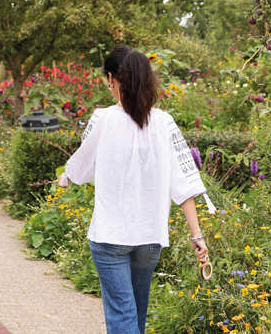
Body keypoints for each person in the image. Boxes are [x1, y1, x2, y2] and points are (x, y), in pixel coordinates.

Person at [58, 45, 209, 334]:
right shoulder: (164, 122)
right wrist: (197, 235)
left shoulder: (102, 119)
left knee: (122, 317)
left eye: (107, 79)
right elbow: (184, 182)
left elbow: (80, 166)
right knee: (135, 315)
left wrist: (66, 177)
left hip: (110, 237)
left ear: (112, 79)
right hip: (150, 238)